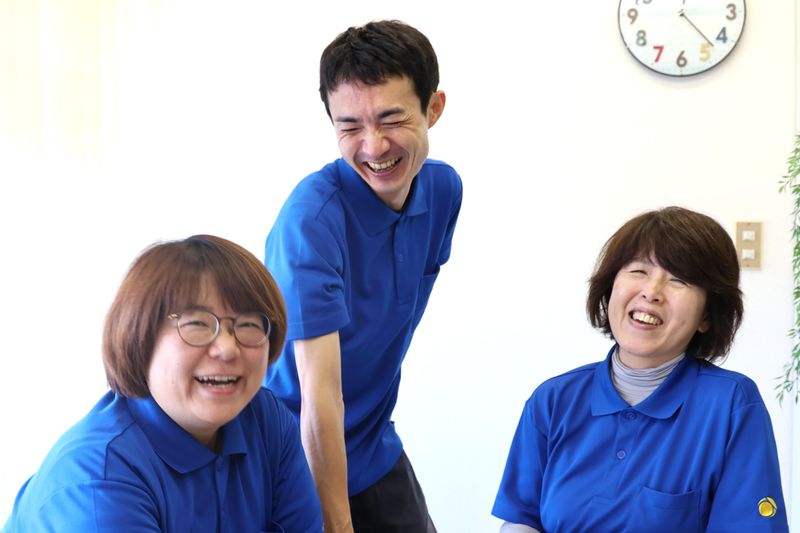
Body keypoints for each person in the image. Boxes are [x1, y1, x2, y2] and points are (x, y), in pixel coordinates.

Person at [264, 19, 461, 533]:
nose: (373, 146)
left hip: (372, 444)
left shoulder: (443, 192)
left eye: (391, 119)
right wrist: (337, 523)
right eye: (349, 127)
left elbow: (396, 316)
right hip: (289, 456)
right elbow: (319, 398)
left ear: (433, 108)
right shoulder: (311, 222)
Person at [492, 207, 789, 532]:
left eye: (679, 279)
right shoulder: (554, 399)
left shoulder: (731, 405)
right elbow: (521, 519)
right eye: (638, 270)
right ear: (610, 288)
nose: (651, 292)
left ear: (706, 316)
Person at [3, 235, 322, 532]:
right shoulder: (97, 483)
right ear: (140, 337)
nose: (227, 348)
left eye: (249, 324)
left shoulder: (266, 421)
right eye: (197, 324)